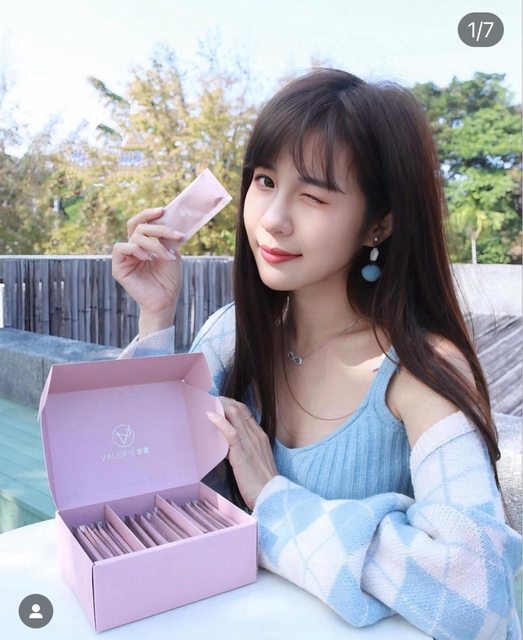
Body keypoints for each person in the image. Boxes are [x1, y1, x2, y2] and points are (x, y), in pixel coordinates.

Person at [112, 67, 522, 639]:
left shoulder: (422, 370)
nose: (273, 219)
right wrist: (155, 317)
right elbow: (134, 479)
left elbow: (477, 596)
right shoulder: (233, 335)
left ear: (378, 224)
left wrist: (273, 499)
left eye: (312, 196)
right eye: (264, 181)